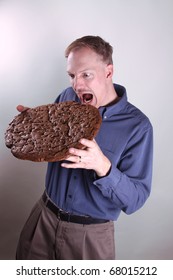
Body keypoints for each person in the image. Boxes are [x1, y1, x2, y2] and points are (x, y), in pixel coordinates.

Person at [16, 35, 153, 260]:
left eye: (86, 75)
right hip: (43, 218)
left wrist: (103, 167)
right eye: (72, 76)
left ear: (108, 72)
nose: (77, 85)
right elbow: (51, 143)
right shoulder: (67, 98)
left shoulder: (138, 127)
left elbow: (135, 200)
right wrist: (35, 128)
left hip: (90, 237)